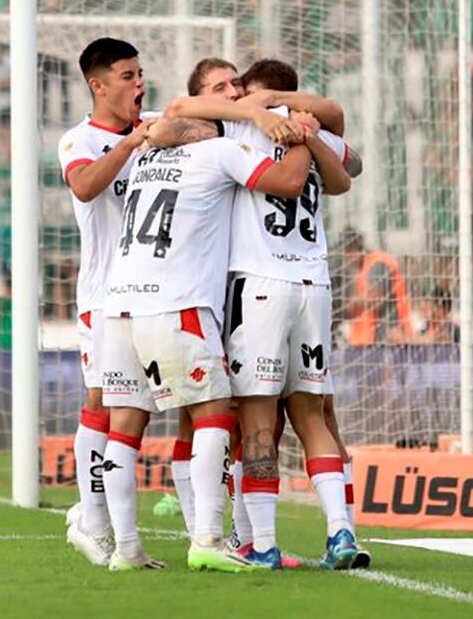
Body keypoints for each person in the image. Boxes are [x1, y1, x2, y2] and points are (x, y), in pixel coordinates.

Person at [150, 57, 365, 570]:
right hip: (314, 285)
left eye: (243, 90)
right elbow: (346, 174)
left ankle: (262, 543)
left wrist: (262, 111)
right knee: (312, 414)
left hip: (258, 286)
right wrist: (306, 130)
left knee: (257, 419)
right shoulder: (315, 134)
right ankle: (341, 533)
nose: (236, 97)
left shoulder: (234, 129)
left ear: (258, 95)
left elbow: (173, 116)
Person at [100, 123, 313, 572]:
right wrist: (301, 135)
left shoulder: (146, 156)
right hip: (176, 304)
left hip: (117, 306)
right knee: (215, 414)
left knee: (122, 428)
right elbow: (291, 183)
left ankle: (125, 548)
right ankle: (208, 539)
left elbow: (170, 122)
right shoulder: (218, 150)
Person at [55, 37, 158, 566]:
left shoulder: (158, 125)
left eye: (139, 73)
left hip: (160, 293)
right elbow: (86, 187)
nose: (138, 83)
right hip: (104, 295)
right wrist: (132, 144)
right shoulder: (78, 140)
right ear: (97, 85)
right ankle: (92, 520)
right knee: (102, 404)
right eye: (126, 75)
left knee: (147, 411)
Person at [343, 229, 414, 346]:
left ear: (353, 251)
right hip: (369, 339)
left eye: (346, 254)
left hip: (388, 336)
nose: (346, 260)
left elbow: (376, 297)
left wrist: (352, 304)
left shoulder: (376, 263)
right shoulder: (362, 269)